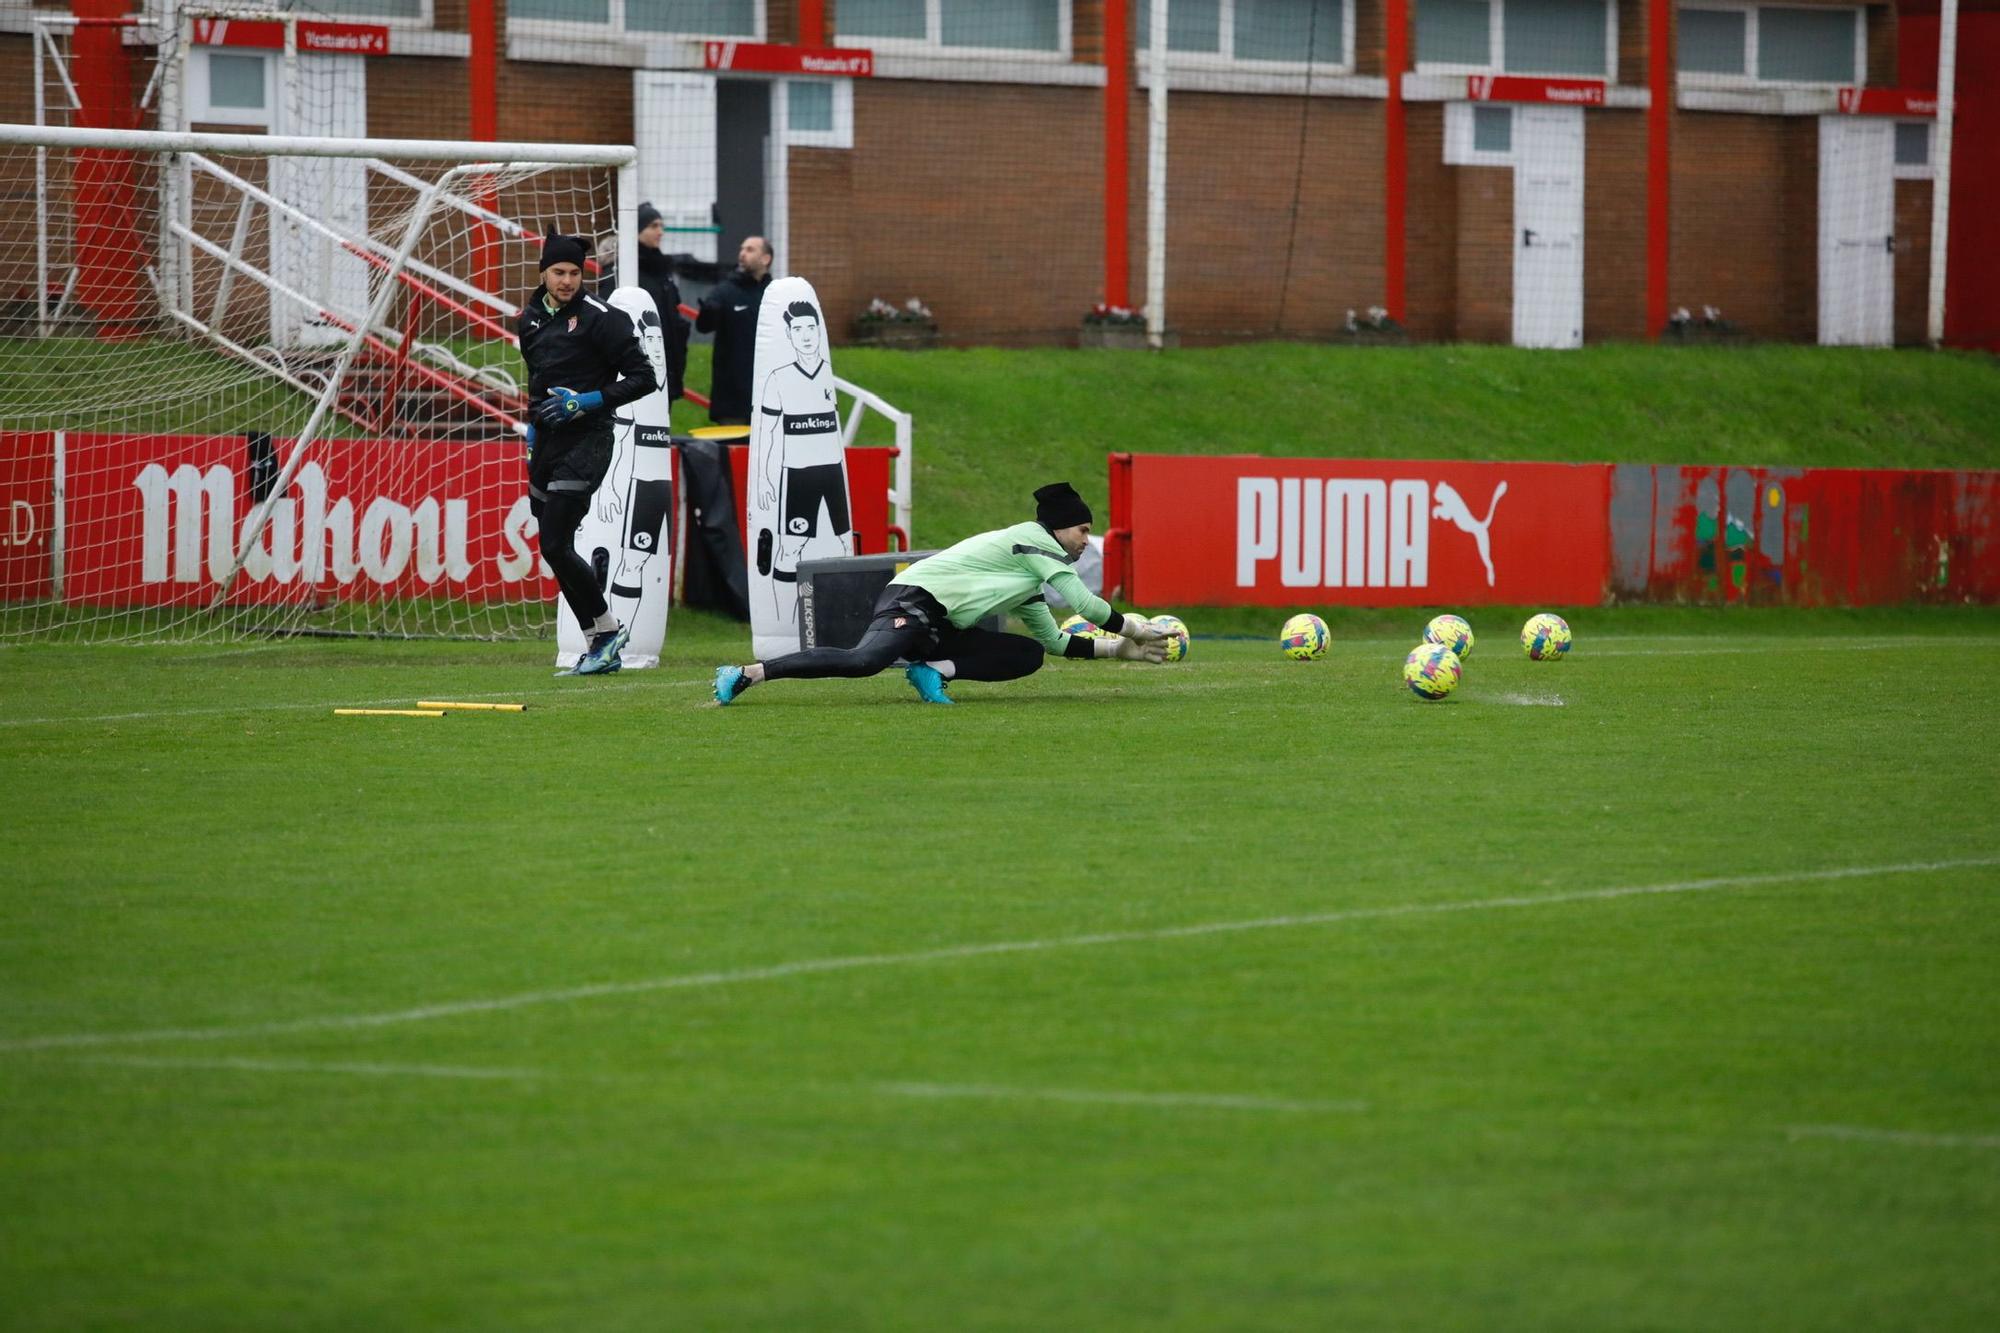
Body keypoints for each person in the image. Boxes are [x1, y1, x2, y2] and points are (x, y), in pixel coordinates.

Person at [712, 482, 1170, 706]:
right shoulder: (1035, 540)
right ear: (1057, 528)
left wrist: (1118, 652)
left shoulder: (1030, 569)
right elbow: (1087, 606)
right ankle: (747, 674)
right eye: (1082, 530)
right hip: (915, 597)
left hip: (940, 620)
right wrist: (1136, 627)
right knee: (863, 662)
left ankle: (931, 671)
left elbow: (1054, 642)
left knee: (1028, 654)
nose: (1086, 540)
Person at [518, 227, 659, 675]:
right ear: (543, 272)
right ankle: (601, 637)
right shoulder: (529, 318)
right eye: (559, 272)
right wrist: (533, 431)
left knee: (556, 541)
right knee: (554, 547)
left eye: (575, 272)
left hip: (589, 438)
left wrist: (589, 401)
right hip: (548, 441)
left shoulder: (602, 317)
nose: (567, 280)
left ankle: (607, 632)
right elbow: (537, 383)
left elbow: (644, 377)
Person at [598, 202, 689, 402]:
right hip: (631, 375)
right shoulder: (619, 272)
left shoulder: (663, 272)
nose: (661, 231)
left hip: (665, 370)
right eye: (654, 226)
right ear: (637, 230)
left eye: (662, 226)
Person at [695, 233, 773, 426]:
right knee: (734, 452)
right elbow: (703, 327)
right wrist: (708, 313)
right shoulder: (725, 291)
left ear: (766, 259)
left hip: (769, 397)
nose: (742, 254)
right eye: (741, 249)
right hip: (732, 400)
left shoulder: (774, 293)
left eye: (750, 249)